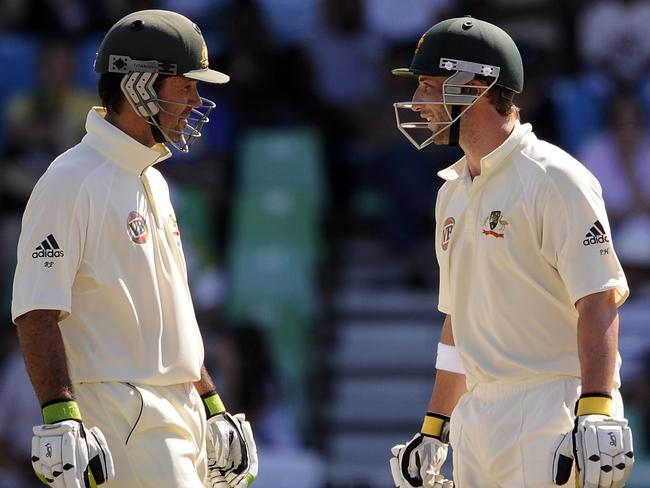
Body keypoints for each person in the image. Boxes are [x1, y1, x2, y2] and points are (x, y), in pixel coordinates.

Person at [11, 9, 257, 488]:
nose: (196, 100)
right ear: (139, 86)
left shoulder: (154, 181)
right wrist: (61, 415)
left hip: (176, 408)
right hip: (120, 411)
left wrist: (211, 404)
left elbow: (170, 315)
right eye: (185, 86)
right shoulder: (71, 179)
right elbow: (35, 310)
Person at [388, 16, 635, 488]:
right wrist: (435, 427)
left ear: (474, 84)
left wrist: (598, 408)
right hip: (477, 417)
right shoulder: (452, 193)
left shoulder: (554, 177)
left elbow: (598, 298)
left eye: (426, 85)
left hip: (552, 407)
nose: (418, 103)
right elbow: (457, 323)